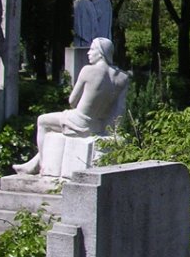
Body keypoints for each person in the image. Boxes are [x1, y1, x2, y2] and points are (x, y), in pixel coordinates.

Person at [13, 38, 129, 175]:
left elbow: (72, 101)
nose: (88, 53)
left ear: (101, 53)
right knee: (54, 134)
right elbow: (119, 109)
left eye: (92, 49)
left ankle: (42, 165)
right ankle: (32, 164)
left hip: (79, 121)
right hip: (98, 125)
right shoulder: (123, 78)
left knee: (42, 121)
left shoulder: (88, 70)